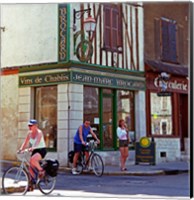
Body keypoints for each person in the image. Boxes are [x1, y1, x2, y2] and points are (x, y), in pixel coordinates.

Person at [19, 119, 47, 188]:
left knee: (33, 159)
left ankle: (42, 170)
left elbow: (37, 142)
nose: (29, 127)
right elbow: (25, 142)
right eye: (29, 125)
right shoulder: (29, 133)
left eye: (31, 125)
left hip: (41, 149)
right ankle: (32, 182)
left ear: (35, 126)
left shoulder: (39, 132)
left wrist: (32, 147)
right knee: (30, 167)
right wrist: (20, 149)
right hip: (34, 150)